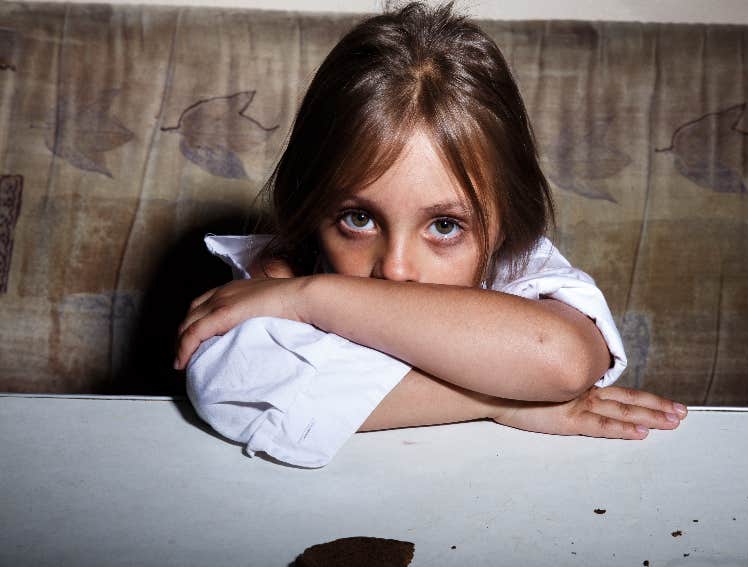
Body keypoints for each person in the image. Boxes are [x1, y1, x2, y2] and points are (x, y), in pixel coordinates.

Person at [175, 2, 688, 468]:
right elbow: (231, 392)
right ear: (310, 207)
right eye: (358, 219)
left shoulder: (513, 264)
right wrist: (504, 400)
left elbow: (564, 361)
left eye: (444, 226)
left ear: (505, 219)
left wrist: (312, 299)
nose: (396, 268)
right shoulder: (275, 276)